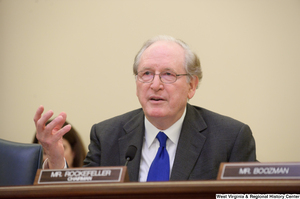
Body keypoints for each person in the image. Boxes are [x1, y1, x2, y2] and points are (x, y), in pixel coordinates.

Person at [34, 35, 256, 182]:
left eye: (168, 74)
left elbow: (251, 195)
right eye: (146, 73)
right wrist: (55, 160)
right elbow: (80, 196)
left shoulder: (230, 138)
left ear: (192, 85)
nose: (155, 84)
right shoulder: (106, 135)